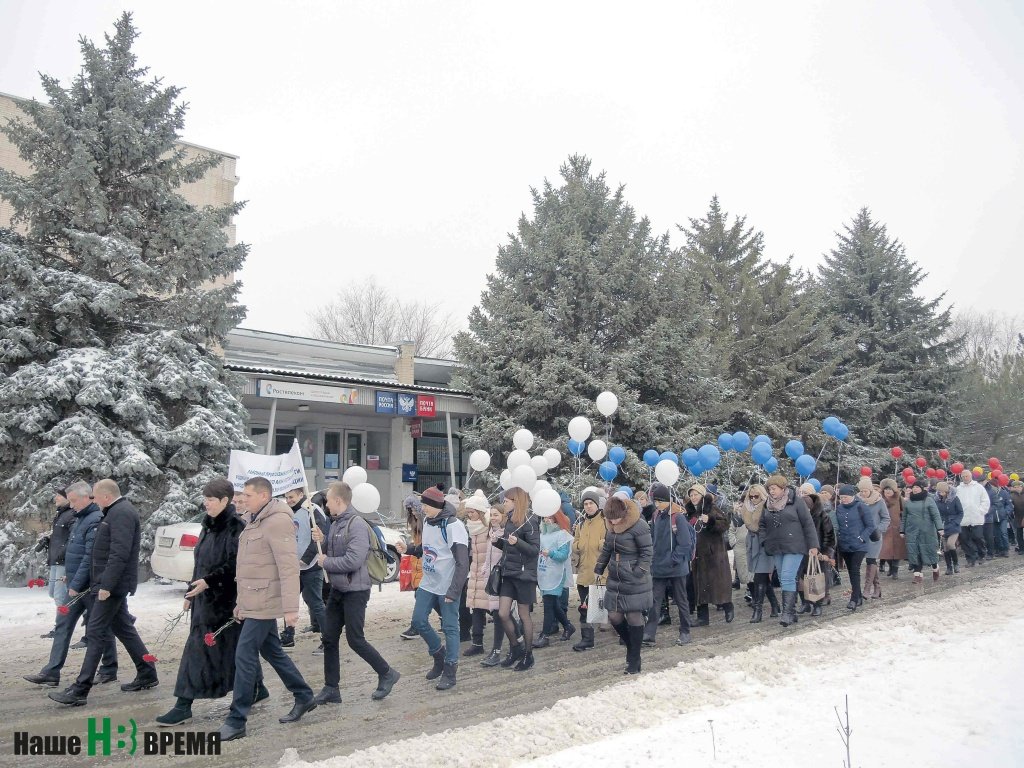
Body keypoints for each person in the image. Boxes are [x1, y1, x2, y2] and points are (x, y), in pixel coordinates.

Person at [217, 477, 317, 742]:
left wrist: (291, 608)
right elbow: (250, 567)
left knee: (244, 656)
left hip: (267, 601)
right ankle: (304, 695)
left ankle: (237, 719)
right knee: (272, 651)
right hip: (254, 599)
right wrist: (241, 602)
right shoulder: (255, 519)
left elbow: (288, 565)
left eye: (247, 496)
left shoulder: (278, 521)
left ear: (263, 495)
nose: (242, 500)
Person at [155, 478, 256, 726]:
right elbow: (200, 562)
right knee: (230, 651)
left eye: (211, 499)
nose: (206, 503)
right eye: (205, 499)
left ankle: (183, 703)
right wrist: (192, 590)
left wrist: (209, 582)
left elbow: (235, 565)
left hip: (225, 602)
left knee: (199, 651)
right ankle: (256, 687)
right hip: (204, 600)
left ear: (225, 501)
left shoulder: (236, 528)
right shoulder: (208, 526)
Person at [49, 480, 157, 706]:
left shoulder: (121, 514)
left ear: (106, 496)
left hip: (112, 586)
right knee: (123, 629)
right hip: (107, 583)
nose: (93, 501)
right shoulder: (113, 512)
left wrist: (106, 586)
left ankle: (80, 689)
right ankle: (147, 671)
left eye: (95, 497)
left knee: (96, 631)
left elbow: (119, 553)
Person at [314, 481, 400, 703]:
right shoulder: (335, 524)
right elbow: (332, 552)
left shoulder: (357, 524)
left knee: (355, 639)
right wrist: (322, 542)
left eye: (328, 500)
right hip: (338, 590)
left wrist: (326, 562)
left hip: (356, 591)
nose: (326, 505)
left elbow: (353, 560)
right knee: (329, 638)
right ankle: (331, 688)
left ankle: (387, 673)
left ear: (338, 501)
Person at [25, 482, 117, 688]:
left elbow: (89, 557)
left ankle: (109, 668)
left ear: (87, 498)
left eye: (74, 501)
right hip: (75, 584)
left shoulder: (94, 520)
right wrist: (69, 575)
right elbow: (74, 553)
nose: (72, 505)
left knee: (101, 628)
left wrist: (75, 581)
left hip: (88, 587)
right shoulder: (80, 518)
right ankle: (51, 671)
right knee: (63, 624)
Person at [394, 486, 469, 689]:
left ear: (436, 505)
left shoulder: (454, 526)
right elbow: (427, 549)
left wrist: (454, 591)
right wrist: (409, 549)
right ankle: (438, 654)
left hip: (448, 585)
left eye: (426, 505)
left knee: (450, 628)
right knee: (418, 621)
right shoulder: (428, 521)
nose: (422, 508)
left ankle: (450, 670)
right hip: (428, 582)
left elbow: (463, 563)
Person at [594, 494, 653, 675]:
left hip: (635, 579)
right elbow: (607, 548)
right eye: (610, 519)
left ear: (624, 513)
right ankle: (632, 649)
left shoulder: (639, 525)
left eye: (616, 518)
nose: (613, 522)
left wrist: (638, 571)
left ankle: (634, 659)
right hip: (616, 578)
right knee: (614, 617)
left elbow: (647, 552)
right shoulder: (611, 526)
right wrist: (599, 567)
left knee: (634, 617)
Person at [490, 487, 540, 671]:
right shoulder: (510, 520)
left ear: (516, 501)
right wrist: (497, 541)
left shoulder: (530, 520)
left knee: (524, 615)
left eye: (506, 501)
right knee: (502, 613)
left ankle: (528, 655)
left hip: (525, 575)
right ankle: (515, 648)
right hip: (509, 573)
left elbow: (535, 551)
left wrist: (517, 542)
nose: (504, 504)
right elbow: (509, 549)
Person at [759, 476, 818, 627]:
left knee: (787, 576)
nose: (771, 491)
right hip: (776, 546)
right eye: (769, 489)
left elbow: (808, 523)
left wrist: (813, 545)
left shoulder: (796, 501)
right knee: (784, 577)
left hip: (795, 545)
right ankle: (791, 612)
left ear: (783, 488)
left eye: (774, 488)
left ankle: (787, 613)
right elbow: (762, 524)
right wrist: (764, 540)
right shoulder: (767, 504)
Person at [642, 483, 694, 647]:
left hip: (676, 567)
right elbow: (653, 539)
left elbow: (685, 544)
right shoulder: (656, 515)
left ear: (667, 500)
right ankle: (649, 634)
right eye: (655, 501)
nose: (656, 504)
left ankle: (685, 631)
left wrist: (674, 559)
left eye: (659, 501)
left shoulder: (677, 516)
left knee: (681, 600)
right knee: (655, 601)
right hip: (658, 567)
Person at [282, 487, 329, 651]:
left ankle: (328, 639)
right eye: (286, 497)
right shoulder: (288, 512)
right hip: (293, 566)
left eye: (292, 497)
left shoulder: (312, 510)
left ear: (301, 494)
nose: (289, 500)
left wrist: (306, 558)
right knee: (290, 603)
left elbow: (320, 538)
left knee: (315, 602)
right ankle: (288, 636)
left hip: (311, 566)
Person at [464, 493, 505, 664]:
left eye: (472, 512)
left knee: (496, 611)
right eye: (468, 512)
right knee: (476, 607)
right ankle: (477, 643)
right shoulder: (471, 527)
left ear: (480, 512)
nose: (469, 515)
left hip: (490, 572)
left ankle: (512, 637)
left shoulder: (488, 529)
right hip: (476, 570)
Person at [686, 484, 733, 626]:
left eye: (696, 494)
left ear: (702, 495)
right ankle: (702, 617)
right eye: (692, 495)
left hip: (714, 554)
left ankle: (728, 606)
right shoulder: (689, 512)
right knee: (699, 585)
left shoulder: (711, 508)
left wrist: (711, 521)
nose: (694, 497)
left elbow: (724, 524)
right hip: (697, 554)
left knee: (718, 584)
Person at [735, 484, 779, 622]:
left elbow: (773, 525)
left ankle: (757, 610)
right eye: (751, 496)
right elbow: (738, 524)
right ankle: (775, 605)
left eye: (756, 496)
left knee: (760, 577)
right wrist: (736, 513)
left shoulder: (769, 507)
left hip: (765, 544)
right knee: (763, 578)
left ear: (762, 495)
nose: (753, 499)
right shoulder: (746, 508)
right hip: (752, 543)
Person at [36, 488, 76, 639]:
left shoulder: (72, 514)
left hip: (63, 561)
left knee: (60, 596)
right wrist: (49, 540)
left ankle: (60, 628)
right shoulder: (60, 514)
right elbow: (60, 537)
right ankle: (88, 614)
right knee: (53, 593)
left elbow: (73, 538)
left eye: (58, 495)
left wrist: (63, 552)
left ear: (68, 498)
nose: (55, 498)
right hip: (55, 560)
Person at [571, 487, 606, 652]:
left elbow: (611, 543)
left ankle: (625, 631)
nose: (588, 506)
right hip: (584, 573)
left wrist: (601, 544)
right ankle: (587, 639)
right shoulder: (581, 523)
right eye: (585, 503)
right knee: (584, 608)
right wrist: (578, 545)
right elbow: (575, 542)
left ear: (597, 504)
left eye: (591, 503)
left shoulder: (606, 522)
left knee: (609, 607)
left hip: (602, 574)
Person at [834, 484, 877, 611]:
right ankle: (858, 596)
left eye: (846, 497)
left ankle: (854, 599)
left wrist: (861, 537)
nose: (844, 499)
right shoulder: (839, 508)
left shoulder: (861, 506)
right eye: (841, 497)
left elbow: (870, 526)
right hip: (845, 544)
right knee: (851, 571)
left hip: (859, 545)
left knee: (854, 569)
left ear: (852, 496)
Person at [797, 483, 836, 616]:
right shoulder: (797, 518)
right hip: (800, 551)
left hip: (817, 552)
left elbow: (829, 536)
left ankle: (817, 604)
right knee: (800, 579)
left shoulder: (822, 516)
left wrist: (826, 553)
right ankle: (805, 603)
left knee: (816, 579)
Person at [900, 477, 944, 583]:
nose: (914, 489)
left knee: (929, 552)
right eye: (913, 487)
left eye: (917, 487)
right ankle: (917, 575)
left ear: (922, 489)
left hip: (927, 531)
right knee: (915, 552)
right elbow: (904, 517)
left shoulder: (929, 500)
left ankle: (935, 568)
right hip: (912, 531)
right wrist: (902, 530)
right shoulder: (909, 501)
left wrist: (940, 528)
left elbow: (936, 515)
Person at [857, 477, 889, 599]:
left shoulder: (879, 501)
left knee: (871, 560)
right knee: (870, 561)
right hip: (861, 534)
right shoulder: (857, 500)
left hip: (874, 536)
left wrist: (879, 529)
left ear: (870, 489)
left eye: (866, 490)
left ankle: (866, 589)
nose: (863, 493)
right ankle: (877, 587)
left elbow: (886, 518)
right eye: (862, 491)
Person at [957, 469, 990, 566]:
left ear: (970, 476)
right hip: (963, 518)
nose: (965, 478)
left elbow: (985, 501)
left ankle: (982, 554)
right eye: (963, 477)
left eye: (966, 476)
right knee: (964, 539)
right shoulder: (959, 488)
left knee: (978, 537)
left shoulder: (979, 487)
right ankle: (970, 558)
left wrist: (981, 511)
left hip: (976, 517)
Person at [878, 478, 906, 580]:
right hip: (885, 529)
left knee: (897, 551)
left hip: (897, 528)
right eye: (886, 489)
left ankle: (895, 571)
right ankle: (890, 566)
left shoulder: (899, 499)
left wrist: (903, 526)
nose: (888, 491)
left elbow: (904, 513)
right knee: (886, 551)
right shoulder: (879, 499)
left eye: (890, 489)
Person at [934, 482, 963, 574]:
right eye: (939, 491)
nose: (940, 493)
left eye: (942, 491)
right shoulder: (937, 500)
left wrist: (956, 522)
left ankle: (956, 564)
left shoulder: (954, 499)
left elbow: (960, 512)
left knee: (951, 544)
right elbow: (936, 513)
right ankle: (949, 567)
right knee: (945, 548)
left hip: (954, 525)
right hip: (943, 525)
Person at [1010, 480, 1024, 554]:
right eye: (1015, 487)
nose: (1017, 488)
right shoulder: (1012, 495)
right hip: (1018, 516)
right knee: (1019, 533)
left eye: (1018, 487)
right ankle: (1021, 548)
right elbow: (1010, 505)